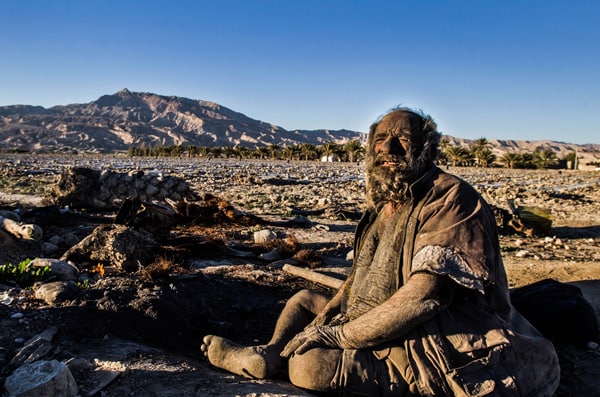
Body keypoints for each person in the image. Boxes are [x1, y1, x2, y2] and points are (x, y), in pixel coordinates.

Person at [201, 107, 560, 396]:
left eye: (403, 139)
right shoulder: (384, 204)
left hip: (437, 334)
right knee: (304, 300)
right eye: (382, 139)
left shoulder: (451, 198)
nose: (389, 148)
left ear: (426, 149)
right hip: (375, 317)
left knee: (309, 366)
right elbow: (359, 278)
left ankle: (290, 360)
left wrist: (336, 334)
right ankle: (271, 352)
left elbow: (425, 297)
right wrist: (334, 309)